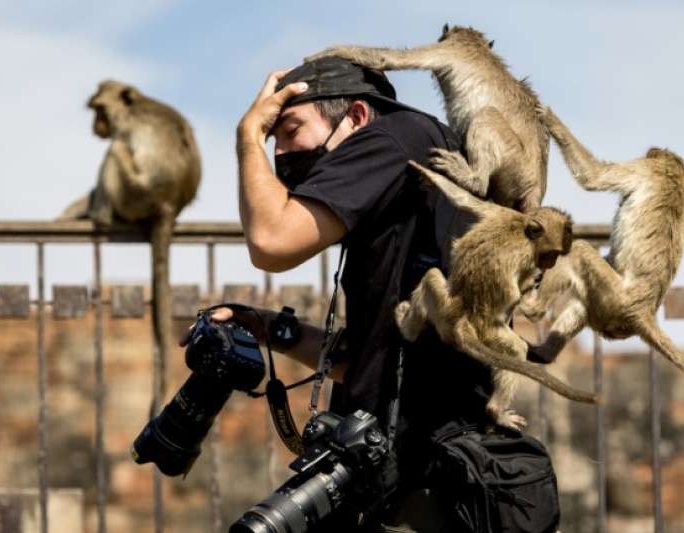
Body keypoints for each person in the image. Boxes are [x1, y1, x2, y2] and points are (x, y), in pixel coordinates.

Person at [212, 57, 557, 532]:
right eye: (272, 139)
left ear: (355, 117)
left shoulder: (393, 140)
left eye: (290, 129)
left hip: (438, 477)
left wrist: (248, 136)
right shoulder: (407, 178)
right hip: (416, 469)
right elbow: (371, 361)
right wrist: (271, 328)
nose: (281, 153)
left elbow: (272, 241)